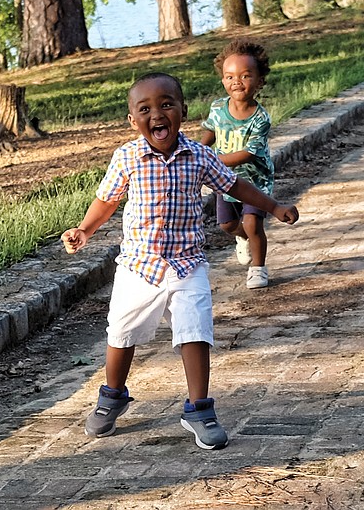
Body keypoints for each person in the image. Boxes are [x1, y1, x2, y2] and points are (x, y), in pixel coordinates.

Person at [61, 72, 299, 450]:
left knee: (196, 332)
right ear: (133, 120)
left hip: (188, 264)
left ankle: (199, 409)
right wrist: (85, 230)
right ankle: (112, 396)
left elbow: (235, 185)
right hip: (139, 266)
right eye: (145, 109)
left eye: (166, 104)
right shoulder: (127, 157)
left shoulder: (200, 156)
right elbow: (107, 201)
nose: (157, 114)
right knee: (121, 335)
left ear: (183, 111)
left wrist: (274, 206)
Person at [201, 39, 274, 289]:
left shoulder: (260, 118)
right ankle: (243, 239)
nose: (237, 81)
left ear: (259, 81)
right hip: (225, 181)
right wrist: (200, 150)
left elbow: (248, 153)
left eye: (245, 76)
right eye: (230, 76)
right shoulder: (218, 107)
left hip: (255, 181)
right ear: (223, 80)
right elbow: (211, 130)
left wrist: (210, 161)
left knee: (253, 223)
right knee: (228, 224)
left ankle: (258, 269)